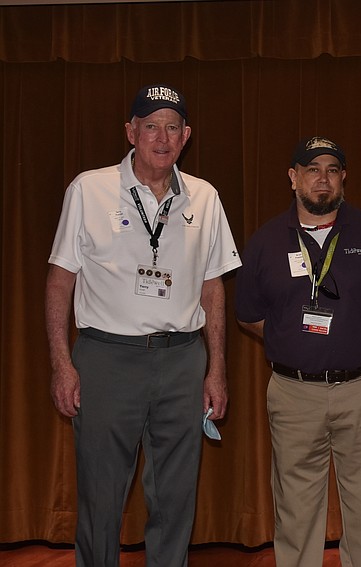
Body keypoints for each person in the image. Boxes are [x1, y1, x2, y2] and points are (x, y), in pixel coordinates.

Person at [45, 83, 242, 567]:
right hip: (106, 358)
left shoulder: (205, 197)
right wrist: (61, 364)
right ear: (130, 132)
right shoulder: (88, 188)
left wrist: (216, 369)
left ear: (186, 135)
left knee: (175, 498)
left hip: (181, 360)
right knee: (101, 496)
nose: (161, 137)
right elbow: (58, 282)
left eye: (172, 127)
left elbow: (213, 287)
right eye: (150, 125)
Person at [235, 136, 361, 567]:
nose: (323, 179)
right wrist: (293, 344)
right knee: (295, 512)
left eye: (332, 169)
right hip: (294, 393)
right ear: (293, 178)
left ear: (344, 178)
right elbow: (248, 315)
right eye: (312, 170)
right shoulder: (266, 241)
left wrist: (355, 340)